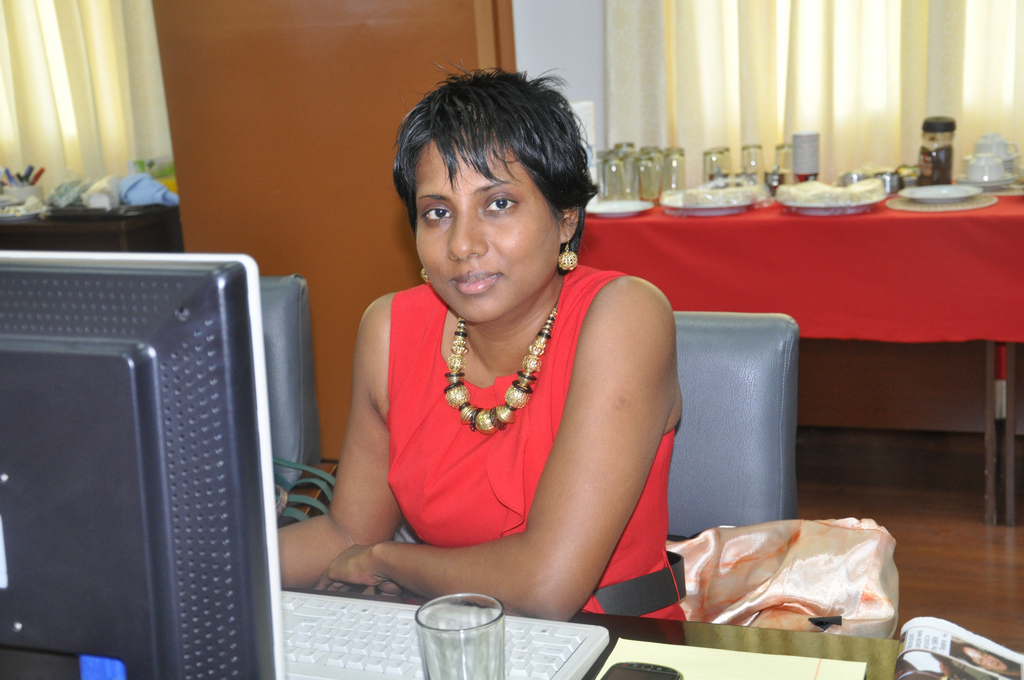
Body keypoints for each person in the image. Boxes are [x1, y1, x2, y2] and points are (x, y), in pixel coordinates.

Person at [278, 69, 683, 621]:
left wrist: (388, 560)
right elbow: (347, 533)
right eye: (438, 213)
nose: (463, 244)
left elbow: (546, 585)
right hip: (449, 634)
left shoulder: (625, 316)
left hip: (611, 642)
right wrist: (205, 567)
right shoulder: (389, 328)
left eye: (498, 204)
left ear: (565, 218)